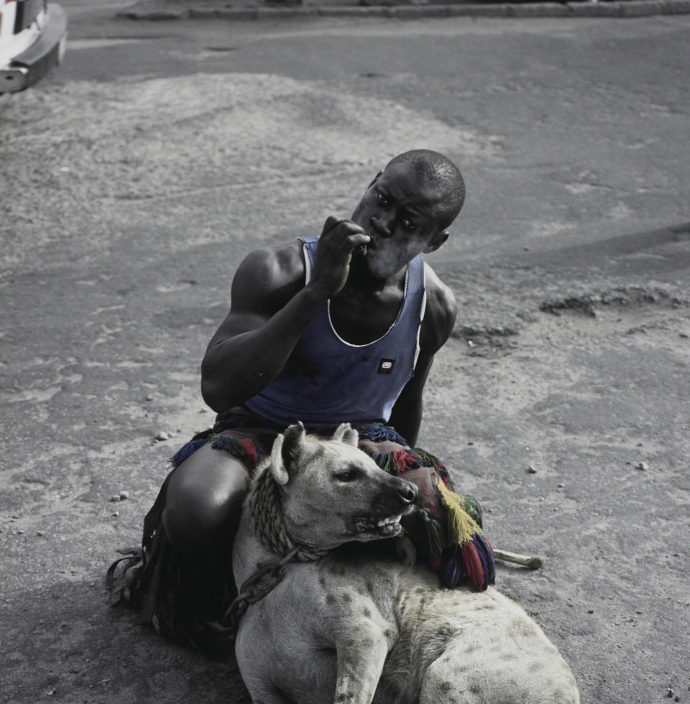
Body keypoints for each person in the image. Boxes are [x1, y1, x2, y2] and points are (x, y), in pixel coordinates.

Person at [111, 150, 496, 659]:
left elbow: (406, 406)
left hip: (358, 444)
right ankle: (217, 614)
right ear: (370, 183)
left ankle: (383, 633)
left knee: (440, 516)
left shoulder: (434, 306)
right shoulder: (279, 270)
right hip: (260, 429)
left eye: (408, 223)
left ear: (434, 241)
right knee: (197, 509)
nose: (381, 222)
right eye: (381, 200)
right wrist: (316, 294)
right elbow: (219, 388)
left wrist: (402, 480)